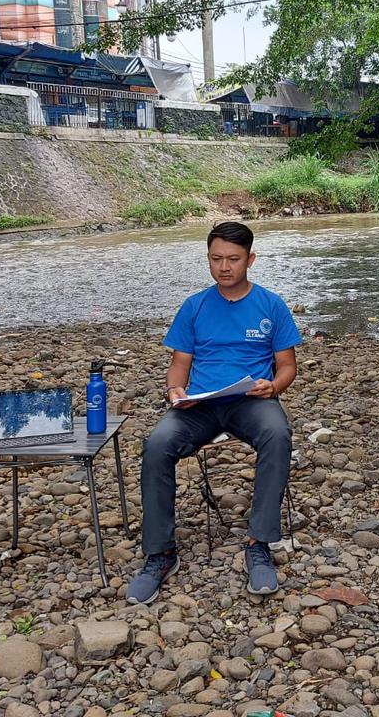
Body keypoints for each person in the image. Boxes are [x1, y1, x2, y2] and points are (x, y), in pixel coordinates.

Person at [129, 221, 302, 604]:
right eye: (216, 259)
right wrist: (175, 390)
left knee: (277, 433)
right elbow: (179, 365)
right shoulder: (195, 306)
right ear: (208, 259)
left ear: (250, 260)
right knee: (157, 443)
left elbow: (287, 365)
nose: (224, 267)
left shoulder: (271, 305)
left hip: (251, 401)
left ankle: (259, 542)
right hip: (201, 404)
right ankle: (160, 553)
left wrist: (273, 386)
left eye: (233, 259)